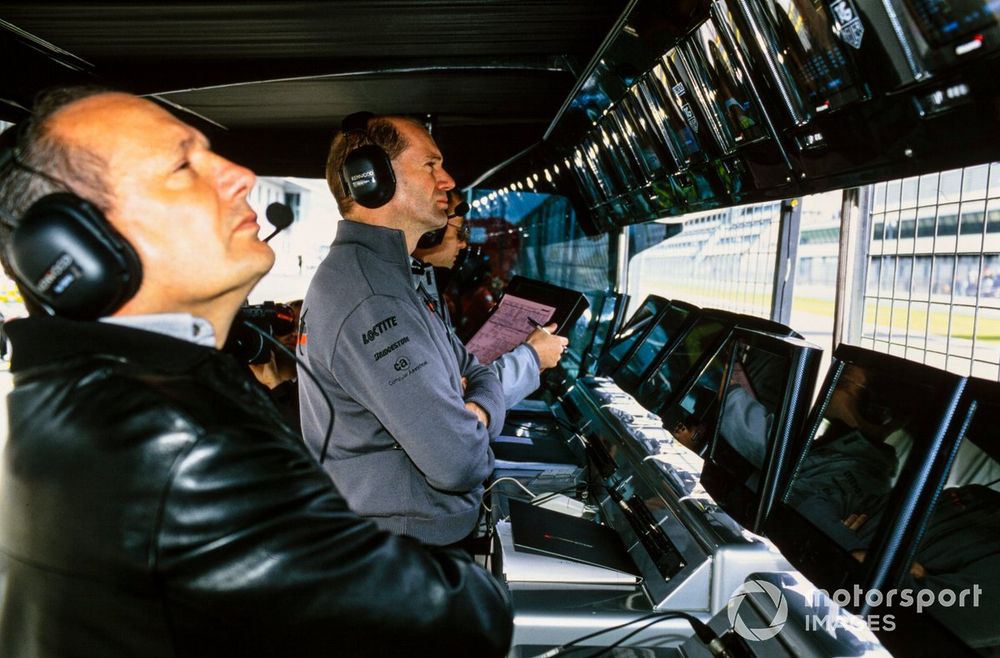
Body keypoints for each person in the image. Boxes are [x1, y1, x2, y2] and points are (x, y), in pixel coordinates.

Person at [0, 88, 512, 657]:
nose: (240, 175)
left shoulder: (93, 401)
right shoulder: (178, 446)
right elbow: (454, 619)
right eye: (183, 165)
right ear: (80, 247)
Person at [299, 113, 505, 547]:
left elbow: (478, 371)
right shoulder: (371, 297)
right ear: (371, 178)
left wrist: (475, 412)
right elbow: (457, 462)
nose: (447, 180)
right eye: (430, 165)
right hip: (404, 551)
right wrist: (474, 419)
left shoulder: (398, 278)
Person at [412, 189, 568, 409]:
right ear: (430, 232)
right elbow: (449, 403)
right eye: (461, 232)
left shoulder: (425, 286)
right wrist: (532, 358)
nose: (464, 244)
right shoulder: (409, 295)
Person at [247, 298, 303, 431]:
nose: (294, 334)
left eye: (303, 329)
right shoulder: (248, 381)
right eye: (284, 326)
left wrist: (276, 385)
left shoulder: (317, 386)